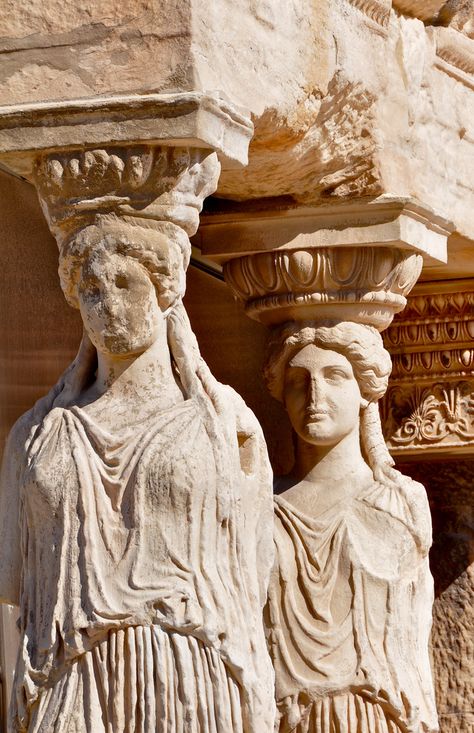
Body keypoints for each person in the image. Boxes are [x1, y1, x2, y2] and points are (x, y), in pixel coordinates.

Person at [0, 212, 275, 732]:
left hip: (186, 664)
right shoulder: (37, 435)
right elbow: (15, 584)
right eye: (91, 290)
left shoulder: (223, 424)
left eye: (126, 283)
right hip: (66, 666)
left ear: (165, 289)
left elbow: (254, 573)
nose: (108, 306)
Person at [263, 321, 438, 733]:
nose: (315, 396)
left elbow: (412, 643)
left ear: (364, 393)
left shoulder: (400, 502)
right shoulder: (259, 505)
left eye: (334, 377)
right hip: (281, 718)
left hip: (376, 715)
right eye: (298, 381)